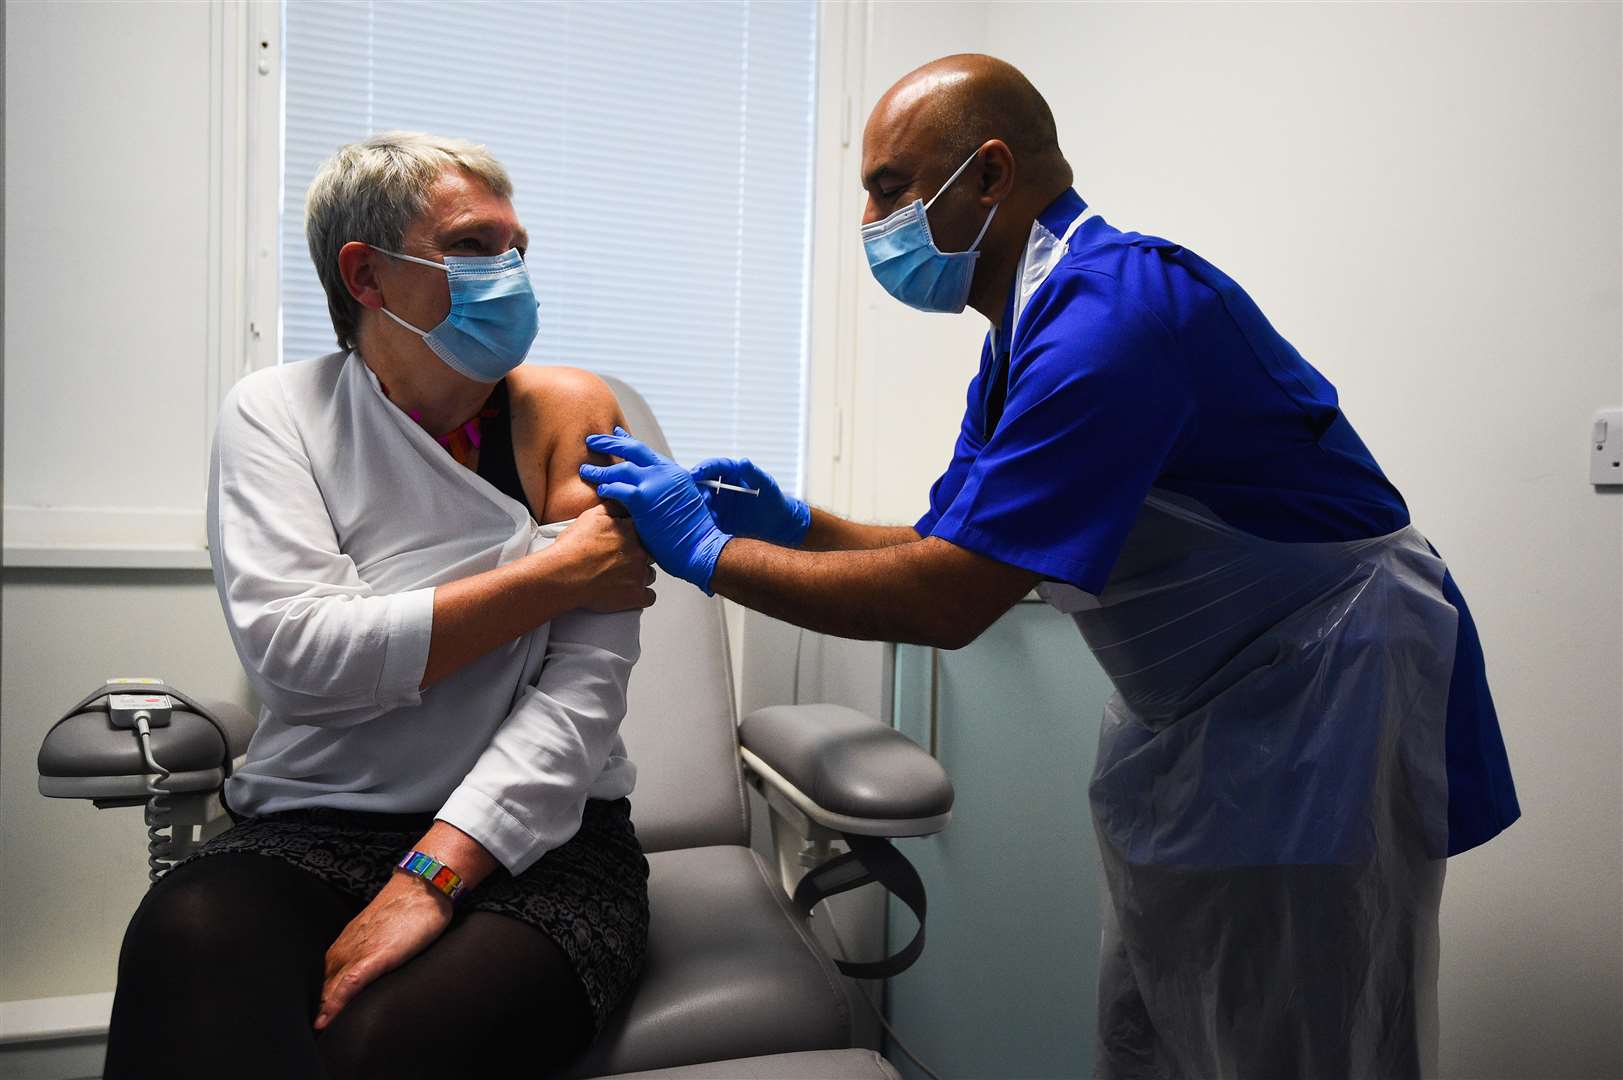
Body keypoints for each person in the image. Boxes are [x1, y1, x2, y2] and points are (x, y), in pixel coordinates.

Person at [579, 55, 1521, 1079]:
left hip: (1319, 709)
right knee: (1164, 1021)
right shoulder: (1029, 328)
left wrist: (713, 557)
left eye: (889, 187)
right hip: (1211, 708)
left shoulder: (1111, 324)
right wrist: (801, 525)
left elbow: (949, 600)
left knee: (1296, 1036)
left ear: (987, 175)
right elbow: (950, 546)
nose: (868, 220)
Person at [105, 132, 656, 1079]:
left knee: (379, 1050)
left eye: (517, 248)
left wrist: (437, 872)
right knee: (184, 939)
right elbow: (301, 658)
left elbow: (584, 688)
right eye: (474, 248)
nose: (511, 273)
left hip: (540, 841)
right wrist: (553, 575)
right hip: (314, 817)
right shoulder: (276, 413)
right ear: (365, 274)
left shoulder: (570, 411)